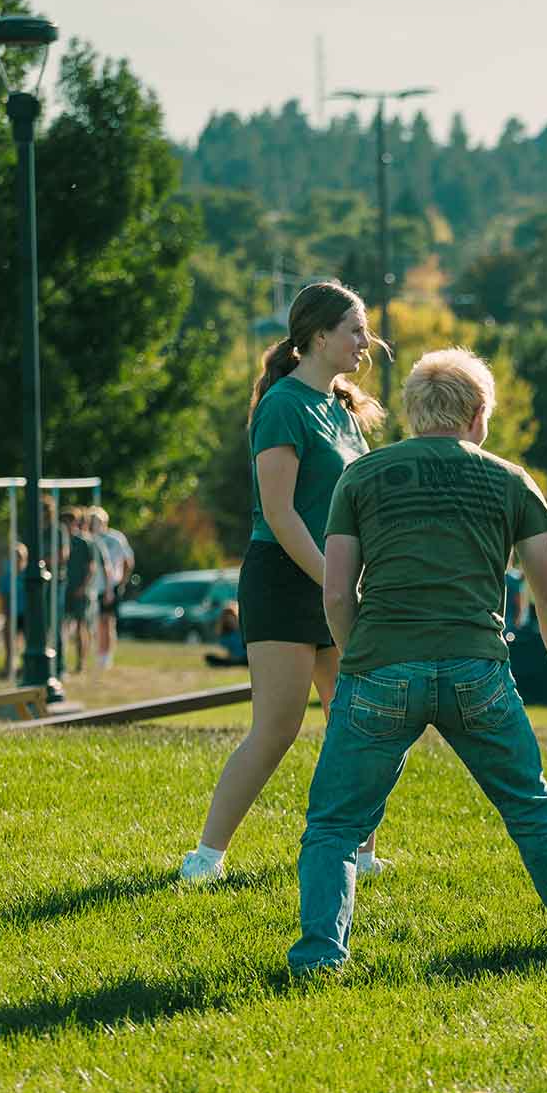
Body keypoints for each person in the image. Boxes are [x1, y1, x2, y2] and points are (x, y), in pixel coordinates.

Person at [289, 346, 547, 972]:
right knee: (530, 806)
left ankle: (320, 953)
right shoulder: (510, 479)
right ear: (478, 415)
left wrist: (360, 660)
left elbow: (335, 590)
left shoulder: (359, 477)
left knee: (335, 822)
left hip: (380, 665)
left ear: (413, 413)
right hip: (477, 670)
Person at [181, 280, 384, 884]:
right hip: (285, 578)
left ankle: (362, 854)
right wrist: (332, 584)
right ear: (319, 336)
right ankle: (205, 859)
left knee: (357, 718)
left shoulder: (343, 409)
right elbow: (280, 513)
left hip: (336, 581)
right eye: (354, 330)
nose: (363, 343)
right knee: (278, 726)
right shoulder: (283, 407)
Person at [59, 508, 101, 674]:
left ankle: (81, 662)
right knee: (62, 626)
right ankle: (61, 662)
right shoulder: (60, 540)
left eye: (70, 522)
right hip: (64, 590)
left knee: (80, 627)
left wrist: (83, 587)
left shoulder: (84, 542)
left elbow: (92, 567)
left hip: (80, 592)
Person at [91, 508, 134, 669]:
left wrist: (121, 582)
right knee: (96, 622)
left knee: (107, 621)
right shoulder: (91, 539)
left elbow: (128, 561)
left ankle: (106, 656)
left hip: (110, 585)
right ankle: (98, 652)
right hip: (94, 586)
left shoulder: (115, 538)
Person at [0, 540, 27, 678]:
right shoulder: (7, 577)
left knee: (27, 643)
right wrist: (6, 613)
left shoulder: (27, 575)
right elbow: (3, 596)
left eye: (19, 557)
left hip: (26, 615)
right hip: (12, 614)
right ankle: (9, 668)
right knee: (9, 642)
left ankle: (25, 667)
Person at [206, 604, 248, 668]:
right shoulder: (225, 636)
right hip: (236, 659)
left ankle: (228, 663)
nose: (230, 620)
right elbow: (230, 652)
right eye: (227, 618)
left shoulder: (243, 630)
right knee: (209, 657)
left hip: (246, 657)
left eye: (231, 617)